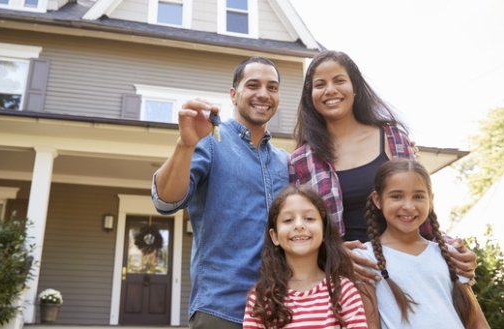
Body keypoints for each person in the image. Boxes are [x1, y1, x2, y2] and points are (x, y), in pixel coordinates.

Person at [288, 50, 477, 283]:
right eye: (320, 84)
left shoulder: (393, 137)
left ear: (354, 87)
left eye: (339, 80)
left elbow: (419, 205)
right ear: (310, 95)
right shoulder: (301, 160)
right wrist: (332, 253)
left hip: (406, 269)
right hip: (348, 278)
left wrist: (452, 248)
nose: (330, 90)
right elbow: (300, 228)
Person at [151, 56, 289, 328]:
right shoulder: (210, 142)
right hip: (222, 311)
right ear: (234, 94)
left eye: (272, 87)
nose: (263, 94)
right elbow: (166, 201)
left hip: (281, 309)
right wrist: (184, 144)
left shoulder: (285, 161)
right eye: (253, 85)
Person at [354, 159, 490, 329]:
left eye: (418, 196)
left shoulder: (449, 253)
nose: (409, 206)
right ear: (378, 200)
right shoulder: (365, 258)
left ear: (430, 200)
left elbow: (477, 321)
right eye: (396, 196)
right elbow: (370, 324)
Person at [243, 185, 369, 329]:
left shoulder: (343, 291)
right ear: (274, 236)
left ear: (323, 230)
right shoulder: (262, 297)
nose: (299, 225)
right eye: (288, 220)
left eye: (309, 218)